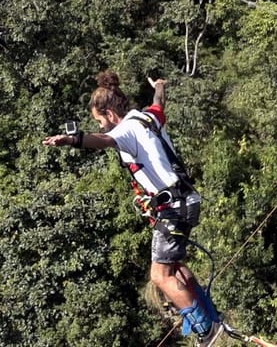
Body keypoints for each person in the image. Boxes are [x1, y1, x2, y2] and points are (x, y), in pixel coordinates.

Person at [42, 71, 224, 346]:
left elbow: (102, 141)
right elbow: (159, 101)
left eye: (100, 121)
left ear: (110, 113)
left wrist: (73, 139)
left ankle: (206, 329)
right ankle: (209, 315)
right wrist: (160, 85)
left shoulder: (124, 129)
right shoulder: (148, 116)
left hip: (174, 207)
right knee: (173, 267)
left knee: (159, 275)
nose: (102, 127)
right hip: (185, 200)